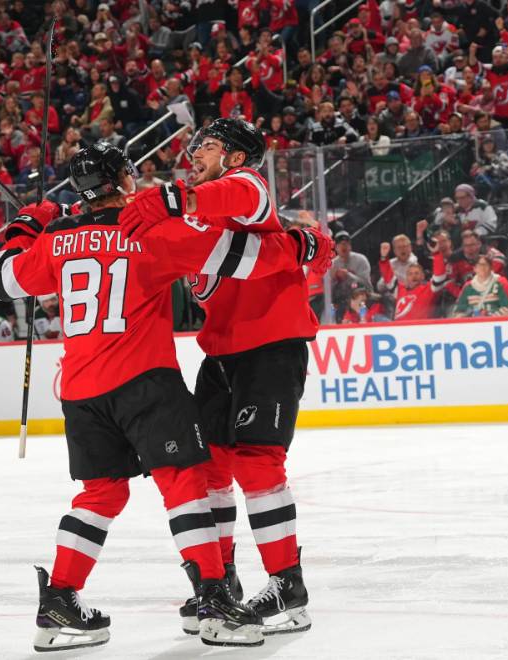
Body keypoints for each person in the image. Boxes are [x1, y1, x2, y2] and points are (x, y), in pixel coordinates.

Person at [0, 142, 330, 650]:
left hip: (81, 390)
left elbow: (0, 280)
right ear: (123, 181)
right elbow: (245, 260)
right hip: (144, 378)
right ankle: (214, 599)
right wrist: (305, 246)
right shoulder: (149, 231)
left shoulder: (54, 242)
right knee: (186, 480)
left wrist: (26, 227)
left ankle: (59, 600)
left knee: (100, 494)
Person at [118, 119, 319, 636]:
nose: (194, 155)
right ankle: (221, 583)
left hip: (272, 347)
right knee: (209, 470)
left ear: (233, 157)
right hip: (221, 356)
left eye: (205, 147)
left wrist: (170, 197)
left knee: (257, 462)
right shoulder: (194, 219)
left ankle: (287, 586)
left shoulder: (247, 186)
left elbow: (237, 195)